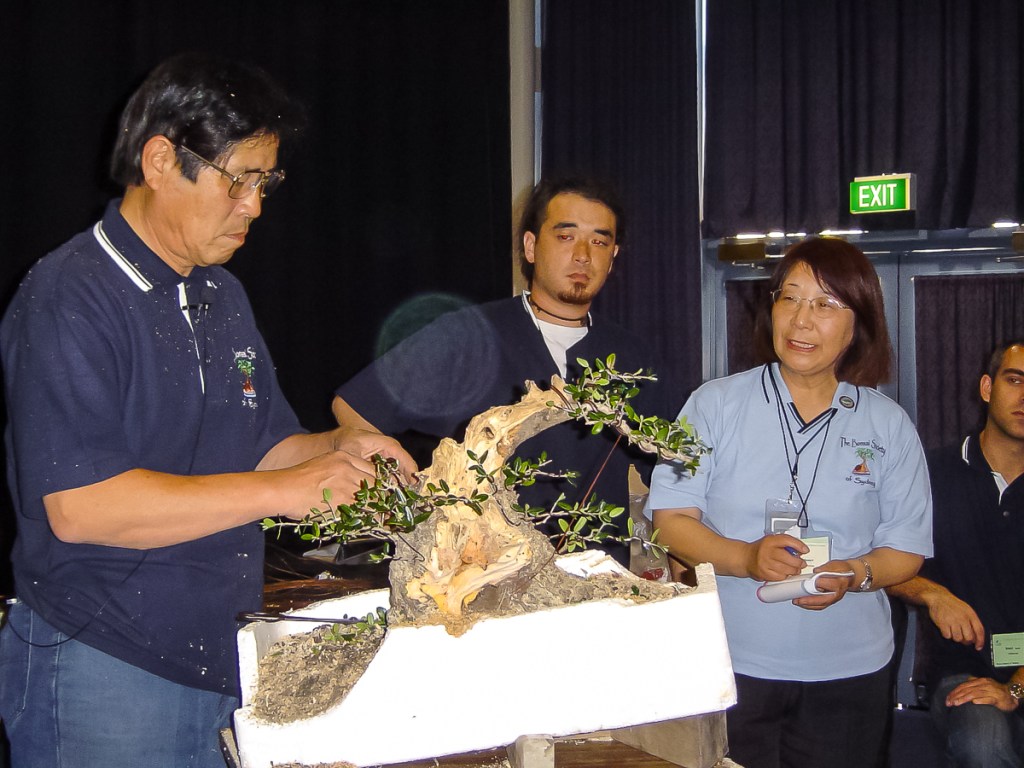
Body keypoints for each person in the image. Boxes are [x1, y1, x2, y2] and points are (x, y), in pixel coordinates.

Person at [0, 53, 413, 768]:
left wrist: (338, 449)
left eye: (265, 182)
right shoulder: (68, 296)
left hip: (224, 658)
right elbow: (81, 507)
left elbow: (264, 446)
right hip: (102, 665)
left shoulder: (221, 296)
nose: (254, 207)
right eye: (237, 180)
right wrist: (285, 490)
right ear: (161, 160)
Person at [646, 237, 932, 768]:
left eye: (825, 304)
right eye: (790, 298)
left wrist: (856, 572)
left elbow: (907, 548)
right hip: (730, 662)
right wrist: (745, 557)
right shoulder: (713, 405)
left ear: (858, 323)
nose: (802, 320)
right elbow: (671, 519)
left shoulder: (887, 424)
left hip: (850, 672)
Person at [332, 178, 672, 564]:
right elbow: (355, 407)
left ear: (613, 257)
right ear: (531, 246)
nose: (582, 255)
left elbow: (677, 475)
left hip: (594, 578)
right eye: (565, 237)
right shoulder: (467, 337)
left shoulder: (633, 359)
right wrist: (408, 499)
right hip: (479, 574)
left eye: (598, 241)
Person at [888, 341, 1024, 768]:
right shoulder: (930, 475)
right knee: (984, 744)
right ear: (986, 387)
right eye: (1015, 380)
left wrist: (1016, 687)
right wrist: (933, 594)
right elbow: (881, 564)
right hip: (962, 673)